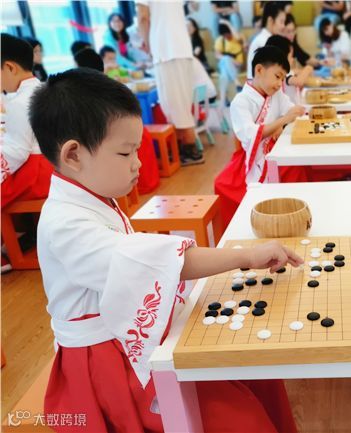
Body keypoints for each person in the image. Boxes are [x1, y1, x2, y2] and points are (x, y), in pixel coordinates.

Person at [30, 68, 302, 433]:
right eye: (125, 152)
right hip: (107, 364)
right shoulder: (65, 224)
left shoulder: (87, 193)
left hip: (122, 337)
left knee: (255, 373)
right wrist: (245, 256)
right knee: (240, 421)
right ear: (74, 155)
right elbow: (149, 261)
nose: (138, 163)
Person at [214, 46, 308, 227]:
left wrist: (284, 122)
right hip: (250, 157)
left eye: (282, 79)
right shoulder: (240, 102)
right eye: (277, 76)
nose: (279, 84)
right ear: (259, 70)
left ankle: (294, 216)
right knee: (222, 184)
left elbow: (292, 110)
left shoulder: (276, 94)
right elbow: (251, 135)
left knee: (298, 166)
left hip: (274, 150)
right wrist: (282, 121)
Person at [137, 0, 204, 165]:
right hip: (181, 49)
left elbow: (142, 17)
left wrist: (148, 44)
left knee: (175, 105)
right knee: (179, 104)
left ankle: (191, 151)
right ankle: (182, 150)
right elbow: (195, 6)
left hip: (166, 49)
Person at [0, 33, 53, 212]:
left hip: (38, 175)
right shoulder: (45, 89)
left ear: (10, 67)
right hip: (56, 167)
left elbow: (17, 151)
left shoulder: (18, 102)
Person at [265, 34, 313, 104]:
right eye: (291, 56)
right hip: (290, 108)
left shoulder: (282, 72)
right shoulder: (283, 74)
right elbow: (299, 81)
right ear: (283, 58)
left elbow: (295, 72)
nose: (292, 59)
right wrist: (308, 68)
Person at [247, 1, 286, 78]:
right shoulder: (263, 41)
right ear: (270, 20)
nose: (283, 26)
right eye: (281, 22)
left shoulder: (268, 38)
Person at [214, 22, 244, 108]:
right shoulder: (220, 40)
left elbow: (239, 62)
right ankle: (236, 82)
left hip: (237, 66)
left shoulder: (237, 37)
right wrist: (228, 59)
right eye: (224, 35)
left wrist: (232, 61)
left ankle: (223, 101)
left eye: (228, 34)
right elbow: (217, 55)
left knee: (223, 75)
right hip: (224, 64)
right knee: (226, 59)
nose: (227, 36)